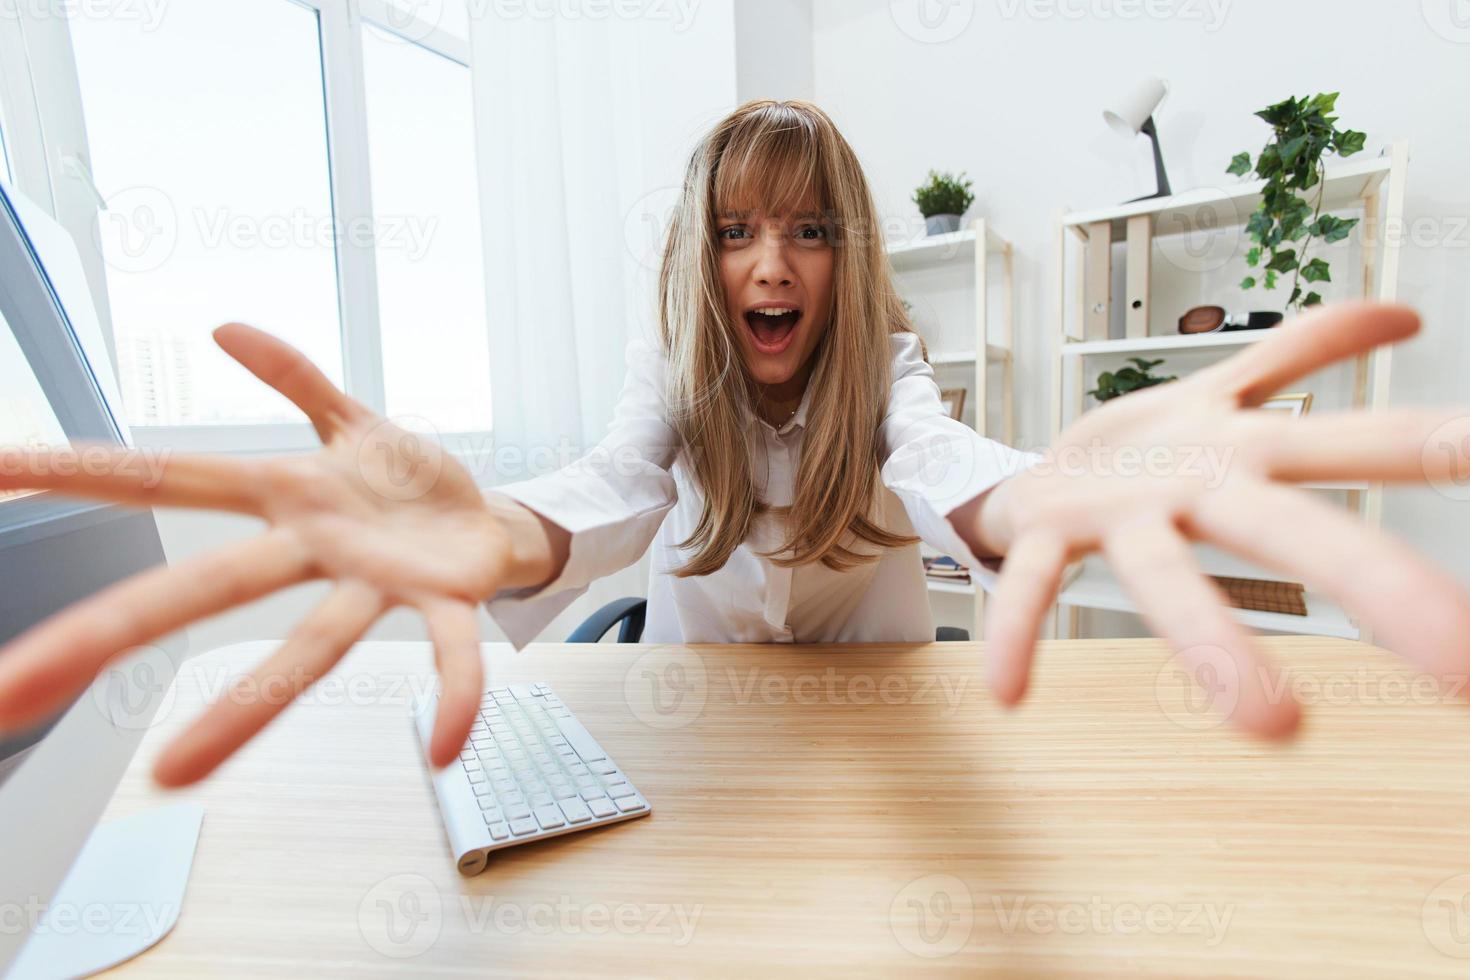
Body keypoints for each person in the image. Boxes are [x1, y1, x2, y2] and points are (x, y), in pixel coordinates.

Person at [0, 100, 1465, 788]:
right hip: (700, 739)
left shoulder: (887, 365)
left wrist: (1046, 495)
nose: (772, 263)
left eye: (808, 229)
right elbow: (612, 486)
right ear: (700, 259)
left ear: (848, 254)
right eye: (736, 229)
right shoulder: (669, 373)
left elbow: (946, 462)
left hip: (887, 728)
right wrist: (499, 536)